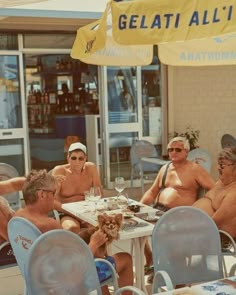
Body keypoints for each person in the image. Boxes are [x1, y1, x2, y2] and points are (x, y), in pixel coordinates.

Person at [15, 169, 133, 295]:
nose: (55, 197)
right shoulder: (49, 225)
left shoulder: (18, 218)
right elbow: (76, 266)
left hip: (39, 281)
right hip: (67, 282)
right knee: (125, 259)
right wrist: (94, 243)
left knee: (99, 257)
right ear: (42, 195)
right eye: (53, 193)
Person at [140, 136, 215, 273]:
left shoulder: (194, 169)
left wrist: (201, 206)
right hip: (158, 210)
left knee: (168, 238)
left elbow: (213, 189)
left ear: (187, 152)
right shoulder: (165, 168)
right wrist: (138, 207)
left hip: (179, 214)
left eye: (178, 150)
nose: (173, 152)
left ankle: (172, 272)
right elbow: (152, 191)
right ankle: (150, 257)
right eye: (170, 149)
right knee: (136, 229)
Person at [52, 142, 103, 233]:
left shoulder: (91, 168)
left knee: (101, 228)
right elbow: (52, 201)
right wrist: (76, 214)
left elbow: (99, 194)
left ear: (85, 159)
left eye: (81, 158)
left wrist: (87, 214)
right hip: (66, 212)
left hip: (87, 211)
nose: (77, 162)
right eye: (73, 158)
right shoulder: (60, 171)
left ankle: (92, 247)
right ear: (68, 158)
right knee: (72, 228)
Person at [193, 146, 236, 240]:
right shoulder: (222, 183)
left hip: (210, 242)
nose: (217, 168)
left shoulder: (234, 194)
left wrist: (184, 229)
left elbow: (215, 225)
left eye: (222, 165)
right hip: (196, 232)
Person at [0, 176, 25, 266]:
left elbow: (13, 185)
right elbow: (9, 236)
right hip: (6, 248)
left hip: (14, 237)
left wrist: (37, 182)